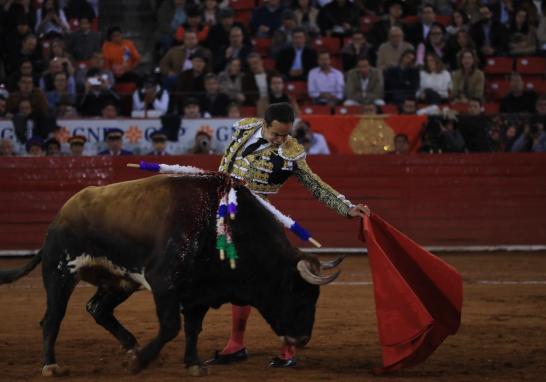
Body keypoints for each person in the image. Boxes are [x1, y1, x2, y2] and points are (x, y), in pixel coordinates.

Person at [206, 102, 370, 368]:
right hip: (228, 216)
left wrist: (346, 207)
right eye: (276, 135)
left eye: (286, 134)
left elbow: (315, 184)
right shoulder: (245, 127)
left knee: (281, 284)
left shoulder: (291, 153)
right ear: (264, 124)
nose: (282, 140)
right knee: (238, 280)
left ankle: (288, 346)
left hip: (262, 223)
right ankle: (236, 344)